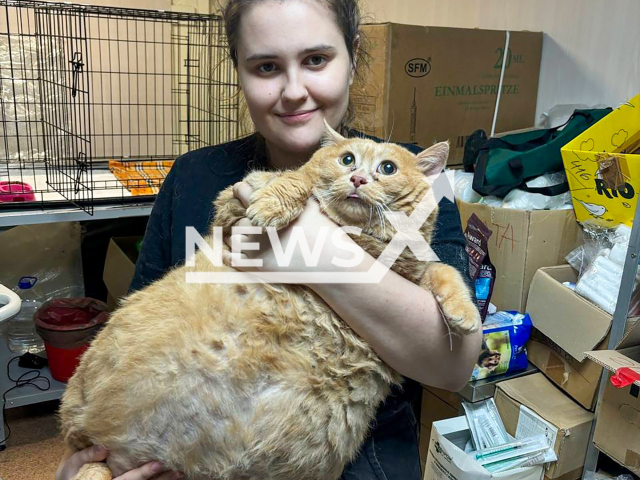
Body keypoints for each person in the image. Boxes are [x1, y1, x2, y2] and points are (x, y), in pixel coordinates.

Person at [57, 0, 481, 479]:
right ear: (237, 69)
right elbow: (145, 324)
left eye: (316, 60)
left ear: (353, 57)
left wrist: (313, 251)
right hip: (181, 452)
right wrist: (90, 458)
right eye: (266, 67)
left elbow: (455, 365)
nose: (294, 91)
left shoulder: (408, 179)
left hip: (357, 458)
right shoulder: (195, 175)